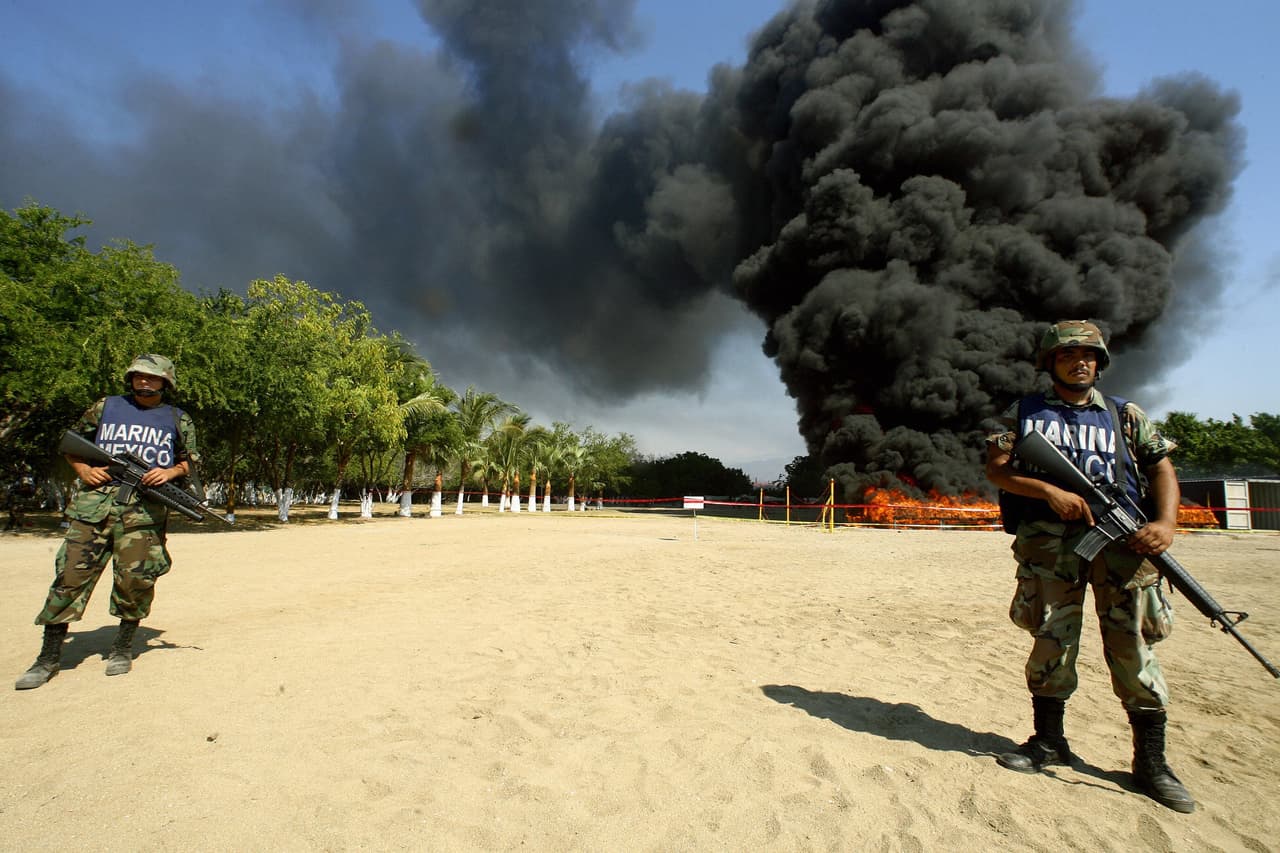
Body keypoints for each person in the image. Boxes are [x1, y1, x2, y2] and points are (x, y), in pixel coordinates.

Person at [984, 320, 1194, 813]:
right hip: (1051, 549)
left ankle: (1151, 763)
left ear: (1100, 363)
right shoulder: (1025, 413)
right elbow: (998, 468)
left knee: (1131, 644)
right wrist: (1048, 491)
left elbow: (1162, 466)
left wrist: (1165, 523)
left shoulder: (1125, 415)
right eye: (1067, 355)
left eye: (1089, 355)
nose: (1080, 362)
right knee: (1053, 636)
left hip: (1123, 546)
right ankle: (1049, 741)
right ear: (1050, 363)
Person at [14, 354, 199, 690]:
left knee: (136, 581)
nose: (144, 382)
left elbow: (189, 462)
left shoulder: (177, 419)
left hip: (143, 514)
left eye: (152, 378)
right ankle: (48, 657)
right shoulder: (105, 407)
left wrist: (169, 471)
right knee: (69, 578)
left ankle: (122, 648)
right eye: (139, 376)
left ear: (165, 382)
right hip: (94, 509)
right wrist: (83, 470)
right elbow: (70, 443)